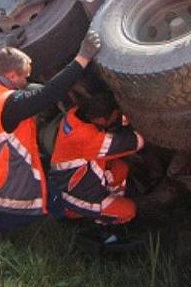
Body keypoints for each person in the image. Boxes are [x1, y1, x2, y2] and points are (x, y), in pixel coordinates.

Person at [0, 30, 102, 237]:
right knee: (45, 201)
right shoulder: (7, 105)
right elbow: (49, 93)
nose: (26, 81)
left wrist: (7, 48)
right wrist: (83, 57)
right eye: (24, 77)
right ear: (10, 76)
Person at [48, 91, 144, 225]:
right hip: (74, 196)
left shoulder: (74, 115)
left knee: (120, 168)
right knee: (129, 210)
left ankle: (110, 202)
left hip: (75, 179)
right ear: (101, 120)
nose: (117, 118)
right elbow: (136, 142)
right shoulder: (89, 139)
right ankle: (94, 219)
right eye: (115, 116)